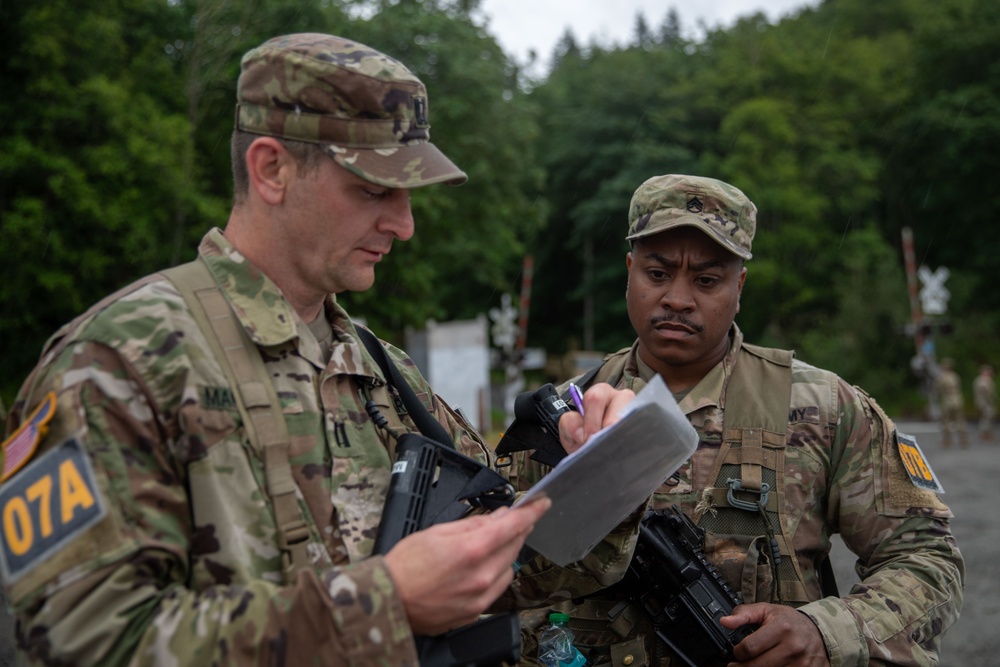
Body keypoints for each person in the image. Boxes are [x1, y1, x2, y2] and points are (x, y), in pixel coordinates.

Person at [0, 33, 636, 666]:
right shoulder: (119, 361)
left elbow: (501, 558)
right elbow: (72, 640)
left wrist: (589, 467)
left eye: (408, 193)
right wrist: (381, 605)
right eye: (373, 189)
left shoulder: (379, 371)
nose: (405, 224)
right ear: (271, 169)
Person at [506, 174, 965, 667]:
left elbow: (928, 559)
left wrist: (826, 630)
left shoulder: (824, 407)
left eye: (706, 280)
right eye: (657, 274)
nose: (678, 299)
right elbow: (492, 574)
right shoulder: (562, 415)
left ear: (739, 286)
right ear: (629, 271)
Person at [934, 358, 968, 448]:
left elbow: (937, 389)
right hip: (957, 400)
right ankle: (963, 440)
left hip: (947, 401)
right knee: (960, 420)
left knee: (946, 421)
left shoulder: (942, 377)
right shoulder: (955, 376)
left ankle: (947, 441)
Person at [973, 364, 996, 442]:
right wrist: (991, 401)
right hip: (986, 403)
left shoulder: (978, 380)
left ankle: (986, 434)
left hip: (981, 402)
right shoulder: (984, 381)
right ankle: (985, 435)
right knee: (986, 419)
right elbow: (988, 393)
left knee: (984, 418)